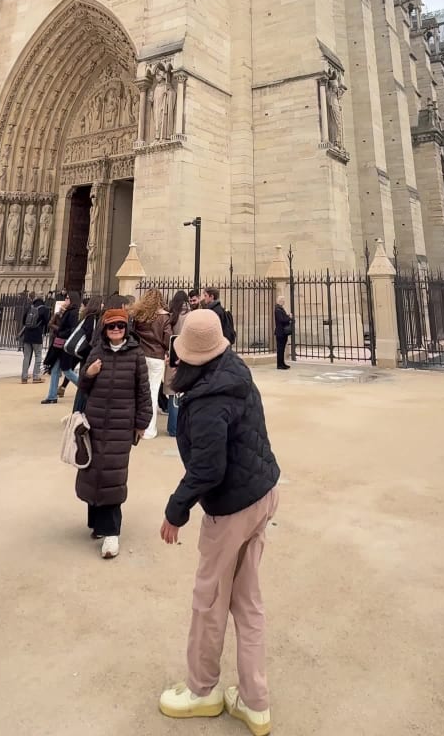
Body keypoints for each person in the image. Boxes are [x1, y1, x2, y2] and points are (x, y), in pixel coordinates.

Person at [159, 310, 280, 735]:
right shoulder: (234, 368)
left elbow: (208, 468)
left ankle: (202, 690)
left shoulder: (208, 398)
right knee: (247, 603)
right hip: (263, 492)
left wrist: (176, 510)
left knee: (209, 601)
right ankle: (254, 701)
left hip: (232, 506)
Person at [75, 298, 152, 559]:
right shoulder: (97, 352)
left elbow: (144, 390)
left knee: (113, 475)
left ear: (126, 328)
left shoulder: (136, 354)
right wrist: (89, 374)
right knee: (93, 471)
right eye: (111, 327)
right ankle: (97, 522)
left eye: (120, 326)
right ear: (104, 329)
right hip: (95, 421)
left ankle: (112, 533)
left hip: (121, 423)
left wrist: (142, 422)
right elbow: (83, 388)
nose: (116, 330)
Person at [130, 289, 171, 439]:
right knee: (153, 392)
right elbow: (168, 338)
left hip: (140, 355)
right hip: (157, 356)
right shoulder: (164, 317)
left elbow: (133, 334)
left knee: (139, 391)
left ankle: (136, 425)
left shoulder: (139, 315)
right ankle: (149, 430)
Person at [41, 291, 81, 404]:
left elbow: (72, 329)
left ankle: (85, 387)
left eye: (68, 298)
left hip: (65, 344)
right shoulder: (68, 311)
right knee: (55, 369)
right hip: (60, 344)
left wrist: (60, 332)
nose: (65, 300)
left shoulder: (73, 313)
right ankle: (52, 396)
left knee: (67, 370)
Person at [165, 291, 191, 439]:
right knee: (184, 391)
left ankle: (173, 427)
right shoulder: (191, 314)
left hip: (173, 352)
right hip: (187, 354)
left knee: (172, 392)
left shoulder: (172, 315)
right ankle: (182, 425)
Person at [19, 296, 50, 384]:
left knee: (26, 357)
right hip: (37, 335)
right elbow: (46, 322)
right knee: (38, 355)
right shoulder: (44, 309)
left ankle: (24, 377)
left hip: (27, 335)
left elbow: (24, 321)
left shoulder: (30, 307)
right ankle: (36, 376)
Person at [274, 295, 293, 371]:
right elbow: (282, 320)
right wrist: (289, 317)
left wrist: (287, 316)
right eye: (283, 300)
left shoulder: (280, 309)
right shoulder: (278, 309)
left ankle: (282, 363)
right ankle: (279, 365)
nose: (284, 301)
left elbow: (283, 318)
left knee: (282, 349)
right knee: (280, 349)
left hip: (282, 332)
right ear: (280, 301)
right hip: (280, 332)